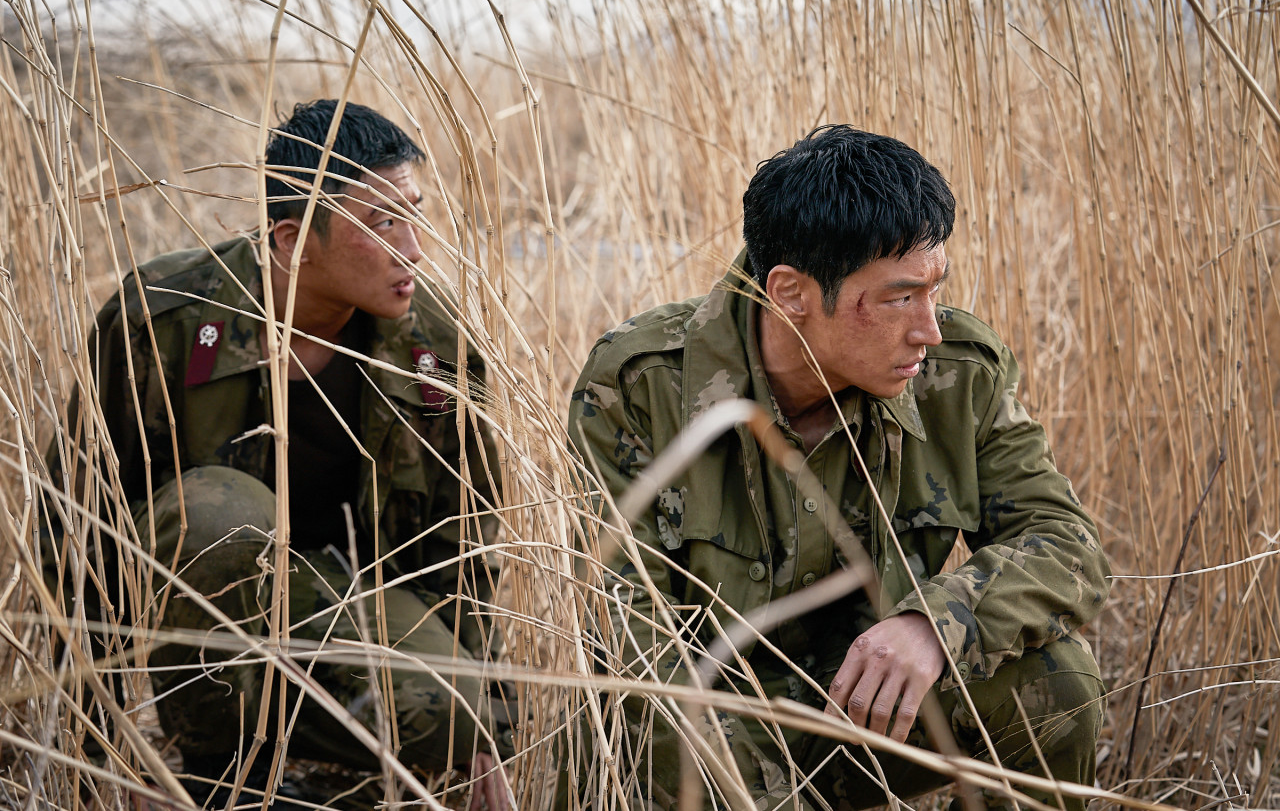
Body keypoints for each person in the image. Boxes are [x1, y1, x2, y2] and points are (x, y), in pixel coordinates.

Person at [568, 126, 1110, 810]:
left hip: (858, 714)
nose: (929, 329)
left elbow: (1068, 546)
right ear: (791, 293)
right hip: (695, 736)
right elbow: (626, 636)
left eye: (933, 290)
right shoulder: (640, 383)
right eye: (897, 298)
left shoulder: (958, 374)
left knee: (1060, 685)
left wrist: (936, 622)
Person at [44, 99, 511, 808]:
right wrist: (97, 749)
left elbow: (463, 543)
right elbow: (75, 531)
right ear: (293, 240)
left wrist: (486, 730)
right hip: (195, 619)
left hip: (343, 608)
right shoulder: (165, 318)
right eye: (383, 222)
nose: (415, 249)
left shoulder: (435, 346)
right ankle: (225, 773)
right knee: (221, 515)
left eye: (414, 213)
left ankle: (312, 750)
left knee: (458, 718)